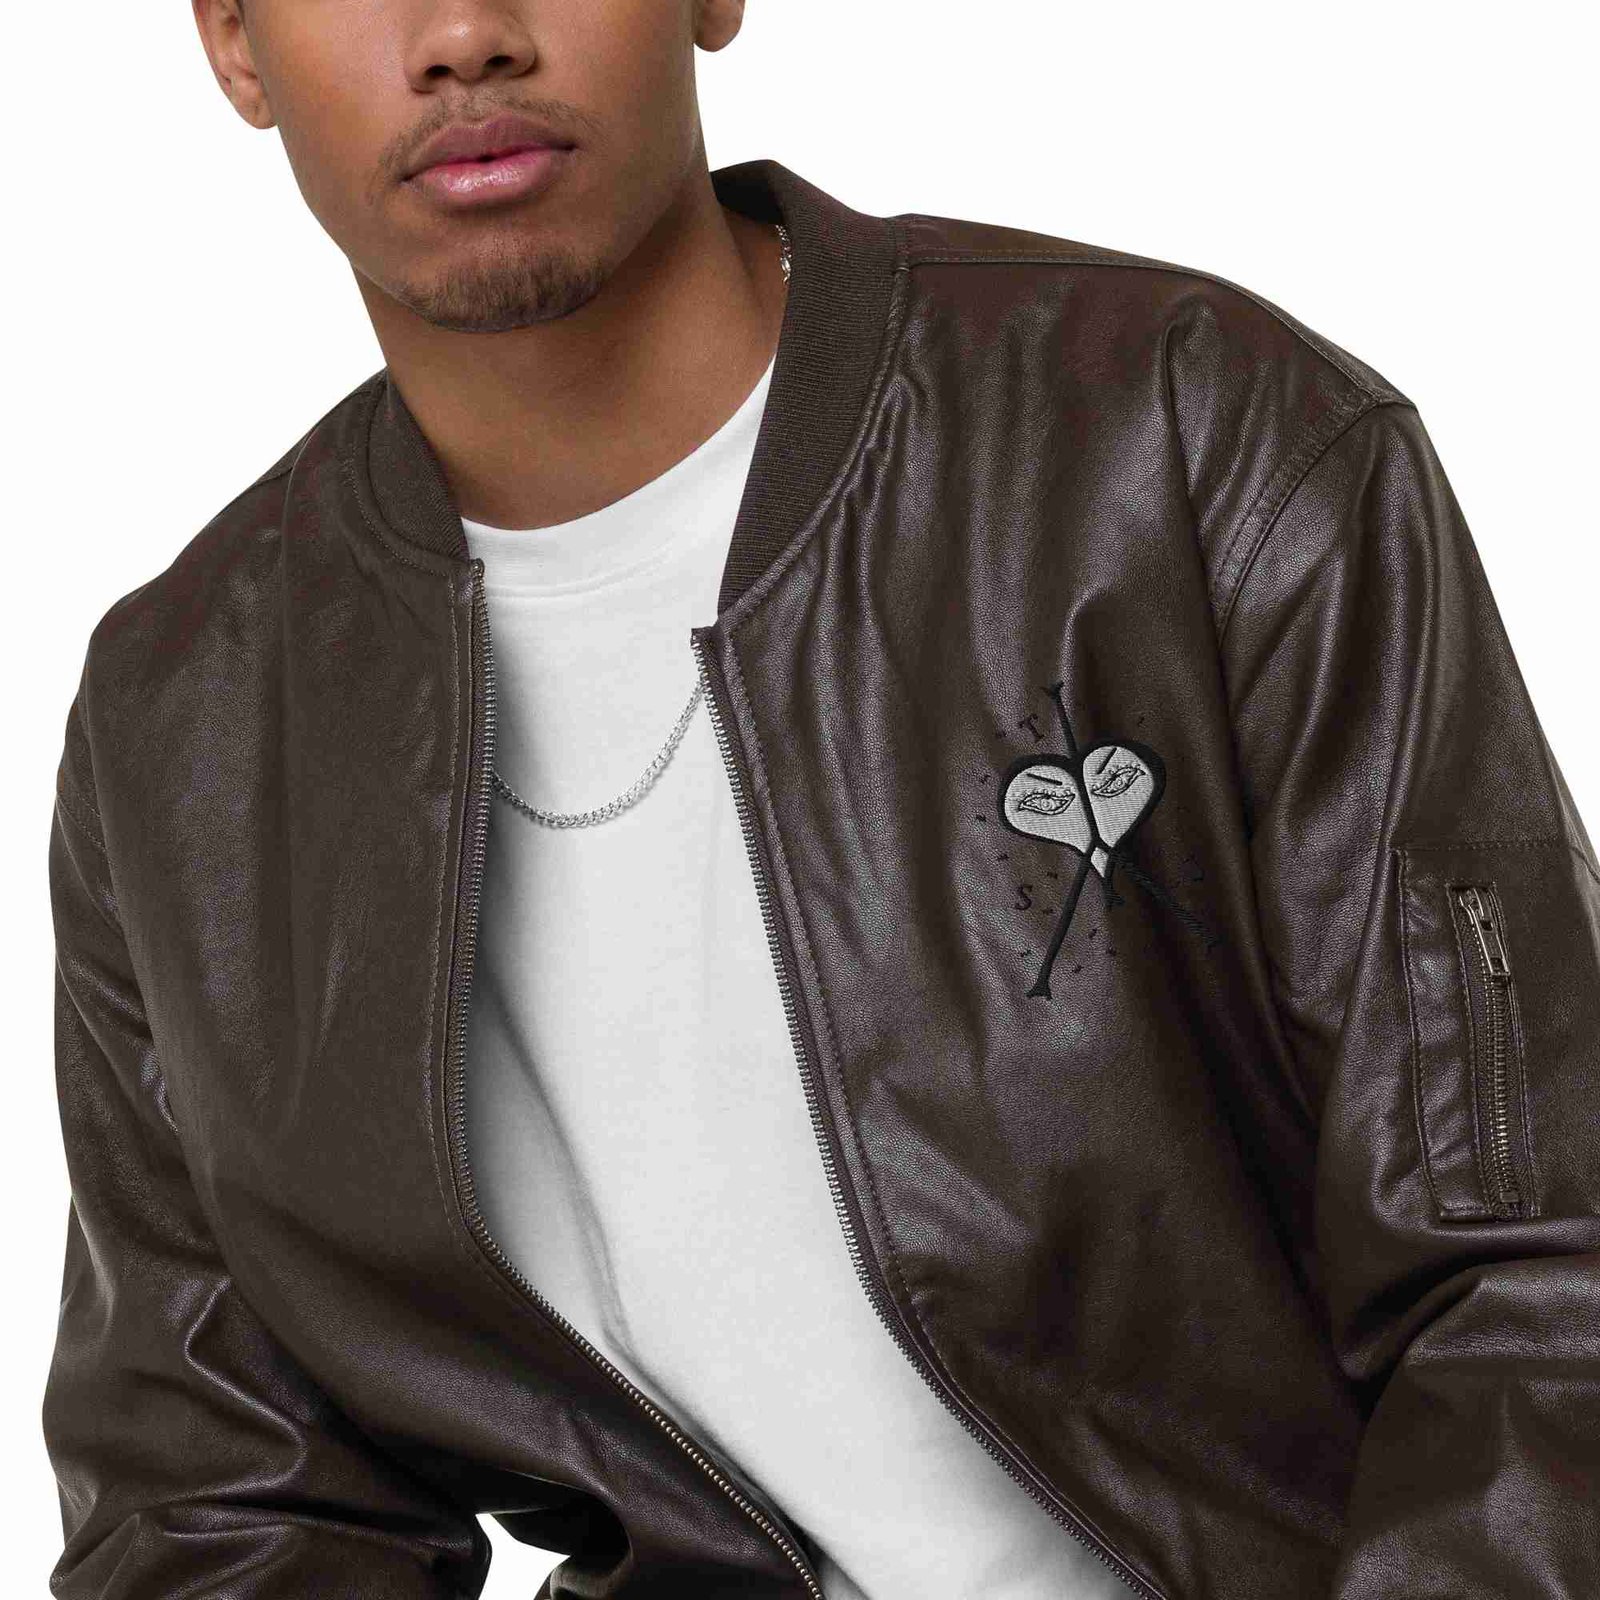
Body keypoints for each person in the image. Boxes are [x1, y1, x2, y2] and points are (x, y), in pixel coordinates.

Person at [41, 0, 1600, 1596]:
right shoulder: (185, 727)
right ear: (235, 44)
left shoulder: (1189, 437)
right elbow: (225, 1503)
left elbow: (1536, 1288)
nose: (463, 34)